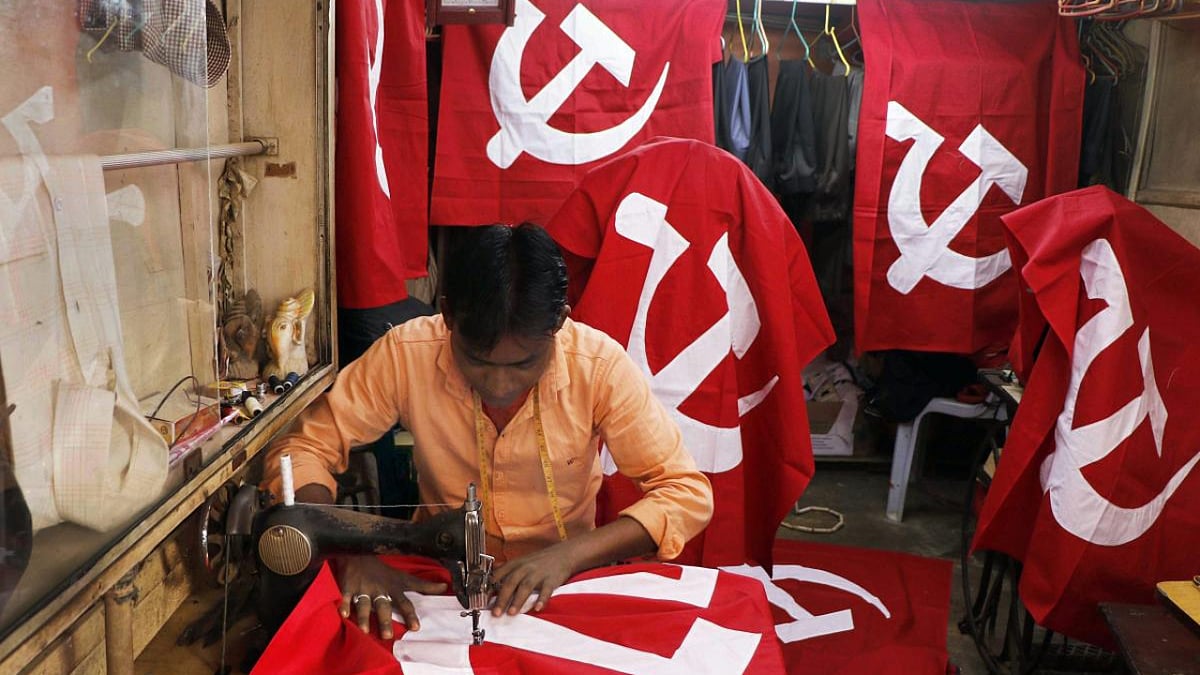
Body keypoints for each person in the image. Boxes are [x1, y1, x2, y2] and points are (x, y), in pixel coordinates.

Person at [260, 223, 713, 640]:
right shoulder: (407, 354)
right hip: (437, 578)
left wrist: (568, 556)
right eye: (476, 360)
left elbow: (684, 493)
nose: (499, 384)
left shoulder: (598, 368)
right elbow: (302, 449)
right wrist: (349, 553)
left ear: (559, 322)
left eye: (523, 364)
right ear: (447, 316)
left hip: (563, 579)